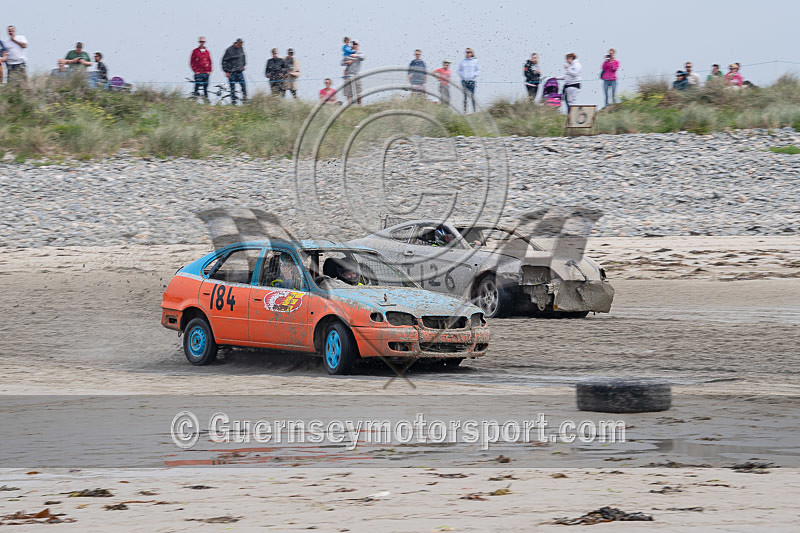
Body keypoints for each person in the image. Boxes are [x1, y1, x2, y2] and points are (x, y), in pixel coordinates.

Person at [222, 38, 247, 103]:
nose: (241, 46)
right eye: (240, 45)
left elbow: (243, 57)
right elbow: (224, 61)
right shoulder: (229, 50)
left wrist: (244, 64)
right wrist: (226, 71)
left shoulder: (241, 49)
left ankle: (245, 99)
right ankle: (233, 101)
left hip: (240, 72)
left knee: (243, 86)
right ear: (237, 44)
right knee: (232, 88)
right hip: (231, 73)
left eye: (242, 45)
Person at [342, 41, 365, 105]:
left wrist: (356, 55)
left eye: (355, 44)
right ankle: (349, 108)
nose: (354, 45)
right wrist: (347, 62)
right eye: (353, 44)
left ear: (358, 45)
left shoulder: (360, 52)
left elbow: (363, 57)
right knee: (348, 94)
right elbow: (341, 62)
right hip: (348, 75)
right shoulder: (347, 53)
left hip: (356, 75)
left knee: (359, 93)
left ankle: (360, 107)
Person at [457, 48, 480, 112]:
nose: (467, 53)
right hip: (464, 81)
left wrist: (473, 75)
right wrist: (462, 76)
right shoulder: (462, 61)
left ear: (472, 53)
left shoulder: (475, 61)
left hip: (472, 81)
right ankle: (465, 111)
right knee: (465, 97)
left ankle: (474, 111)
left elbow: (478, 70)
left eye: (469, 52)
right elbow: (459, 70)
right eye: (466, 52)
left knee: (472, 96)